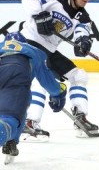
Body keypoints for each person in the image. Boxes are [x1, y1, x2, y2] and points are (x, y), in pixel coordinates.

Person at [20, 0, 99, 140]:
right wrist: (39, 14)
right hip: (28, 42)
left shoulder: (82, 17)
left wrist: (83, 43)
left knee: (79, 75)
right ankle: (30, 121)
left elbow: (82, 33)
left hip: (48, 50)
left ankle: (80, 117)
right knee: (40, 77)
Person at [0, 32, 66, 160]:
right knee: (10, 117)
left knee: (23, 102)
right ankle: (8, 137)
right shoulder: (33, 51)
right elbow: (48, 82)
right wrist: (59, 93)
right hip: (16, 73)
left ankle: (12, 141)